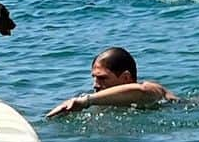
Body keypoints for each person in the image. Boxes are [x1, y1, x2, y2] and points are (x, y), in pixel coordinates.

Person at [46, 46, 176, 118]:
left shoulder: (153, 90)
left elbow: (141, 90)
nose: (95, 85)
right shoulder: (103, 102)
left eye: (102, 78)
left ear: (126, 78)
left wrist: (86, 101)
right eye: (94, 77)